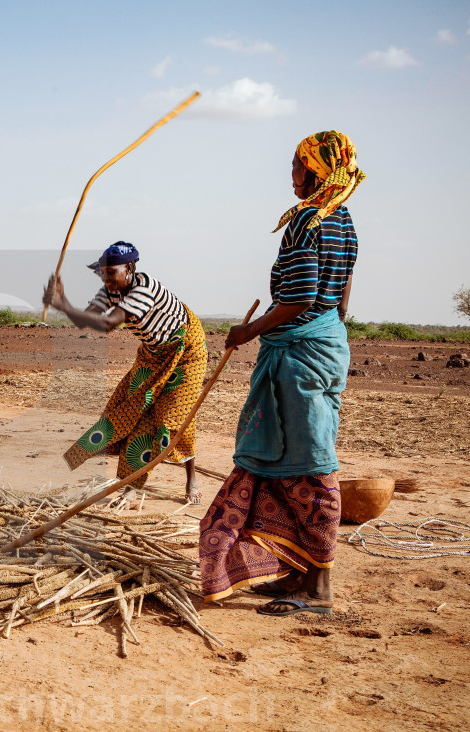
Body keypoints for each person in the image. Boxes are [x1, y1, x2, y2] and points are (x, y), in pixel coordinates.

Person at [198, 130, 364, 616]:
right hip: (325, 345)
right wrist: (323, 327)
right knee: (287, 462)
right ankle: (296, 569)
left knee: (310, 466)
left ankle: (318, 586)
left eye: (296, 164)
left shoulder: (309, 221)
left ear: (317, 168)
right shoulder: (344, 219)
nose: (291, 174)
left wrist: (247, 332)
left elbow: (299, 298)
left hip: (299, 358)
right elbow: (341, 294)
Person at [43, 241, 207, 502]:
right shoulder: (110, 290)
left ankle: (191, 479)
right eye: (102, 273)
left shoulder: (144, 288)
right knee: (131, 409)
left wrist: (63, 305)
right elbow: (86, 319)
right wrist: (63, 303)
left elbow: (108, 324)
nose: (105, 278)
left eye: (111, 272)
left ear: (129, 268)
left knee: (173, 417)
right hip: (153, 354)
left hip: (186, 351)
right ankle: (132, 483)